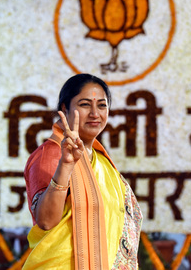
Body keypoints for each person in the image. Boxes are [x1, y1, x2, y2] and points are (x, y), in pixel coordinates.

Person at [22, 74, 143, 269]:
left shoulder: (101, 160)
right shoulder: (51, 154)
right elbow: (45, 220)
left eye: (102, 105)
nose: (95, 113)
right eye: (85, 104)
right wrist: (66, 165)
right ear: (64, 108)